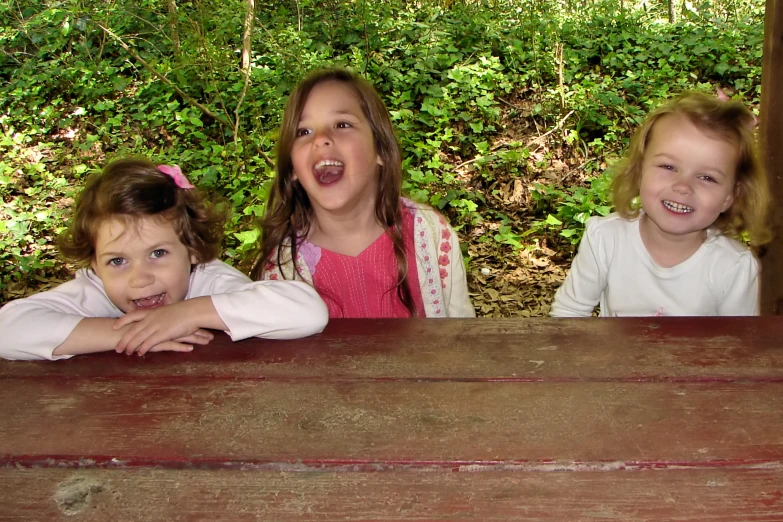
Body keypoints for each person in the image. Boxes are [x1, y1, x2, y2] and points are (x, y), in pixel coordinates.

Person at [0, 158, 328, 360]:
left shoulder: (210, 280)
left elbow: (306, 310)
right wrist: (132, 334)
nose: (139, 278)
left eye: (158, 254)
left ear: (193, 250)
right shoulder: (96, 290)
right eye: (117, 261)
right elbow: (8, 329)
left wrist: (188, 313)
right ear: (94, 265)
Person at [250, 68, 474, 318]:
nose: (321, 139)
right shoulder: (281, 269)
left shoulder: (429, 234)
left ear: (379, 148)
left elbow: (461, 337)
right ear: (292, 167)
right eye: (303, 131)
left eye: (342, 124)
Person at [550, 91, 770, 317]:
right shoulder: (606, 239)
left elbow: (736, 344)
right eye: (668, 167)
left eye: (707, 177)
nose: (683, 186)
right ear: (640, 170)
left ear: (730, 196)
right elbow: (568, 315)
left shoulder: (733, 267)